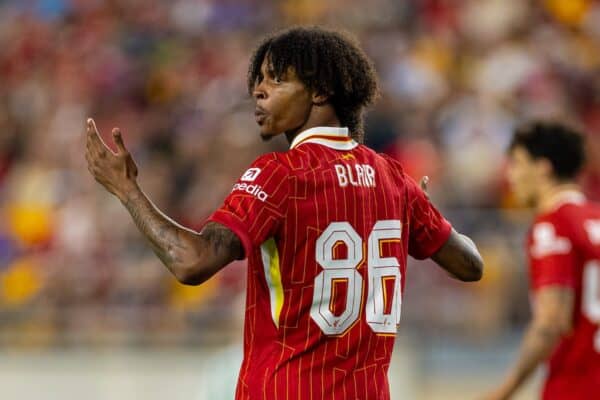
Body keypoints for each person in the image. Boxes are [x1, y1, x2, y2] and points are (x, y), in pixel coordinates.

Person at [85, 26, 483, 400]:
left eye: (276, 79)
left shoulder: (280, 174)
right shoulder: (394, 179)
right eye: (257, 81)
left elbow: (191, 262)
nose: (259, 91)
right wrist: (422, 211)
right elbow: (469, 265)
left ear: (321, 91)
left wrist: (127, 190)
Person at [483, 122, 600, 400]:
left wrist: (505, 390)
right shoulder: (595, 216)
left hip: (578, 381)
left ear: (543, 168)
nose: (510, 176)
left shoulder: (553, 224)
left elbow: (551, 321)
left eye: (517, 163)